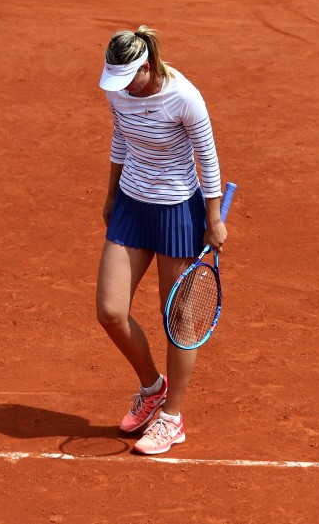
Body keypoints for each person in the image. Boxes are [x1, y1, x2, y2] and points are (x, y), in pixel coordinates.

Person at [95, 25, 227, 455]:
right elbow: (120, 137)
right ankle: (152, 386)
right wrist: (112, 195)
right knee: (111, 312)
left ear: (146, 67)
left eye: (126, 79)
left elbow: (207, 157)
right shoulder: (119, 90)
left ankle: (172, 418)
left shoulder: (184, 96)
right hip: (133, 206)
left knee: (179, 319)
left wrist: (213, 219)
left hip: (176, 212)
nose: (119, 89)